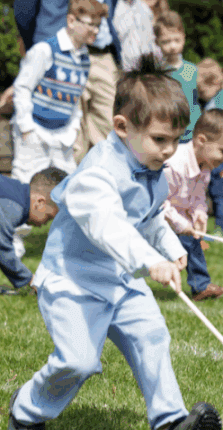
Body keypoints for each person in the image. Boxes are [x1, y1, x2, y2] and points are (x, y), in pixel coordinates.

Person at [6, 56, 222, 430]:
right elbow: (109, 227)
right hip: (73, 280)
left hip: (122, 278)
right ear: (122, 128)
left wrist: (171, 248)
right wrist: (148, 260)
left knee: (152, 337)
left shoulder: (151, 165)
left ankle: (170, 429)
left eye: (175, 139)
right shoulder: (96, 175)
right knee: (78, 361)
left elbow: (149, 216)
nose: (169, 149)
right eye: (160, 139)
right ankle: (27, 411)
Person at [10, 0, 106, 259]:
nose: (95, 32)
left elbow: (75, 101)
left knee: (70, 188)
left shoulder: (84, 59)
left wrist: (73, 129)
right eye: (91, 25)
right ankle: (12, 245)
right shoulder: (46, 50)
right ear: (71, 20)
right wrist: (26, 128)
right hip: (35, 132)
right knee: (25, 186)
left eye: (99, 26)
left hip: (62, 135)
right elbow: (22, 88)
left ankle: (72, 248)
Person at [162, 109, 223, 301]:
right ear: (201, 140)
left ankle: (201, 287)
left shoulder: (204, 166)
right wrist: (181, 224)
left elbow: (197, 197)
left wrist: (199, 215)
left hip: (177, 217)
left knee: (193, 241)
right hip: (156, 218)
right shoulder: (174, 166)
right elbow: (159, 204)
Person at [73, 0, 123, 163]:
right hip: (72, 53)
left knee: (109, 123)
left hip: (104, 56)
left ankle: (106, 174)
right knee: (74, 130)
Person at [0, 168, 66, 292]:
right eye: (48, 217)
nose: (45, 224)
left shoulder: (14, 193)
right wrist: (29, 280)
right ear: (40, 203)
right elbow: (2, 246)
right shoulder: (14, 207)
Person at [197, 58, 223, 237]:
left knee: (219, 190)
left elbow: (217, 123)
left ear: (214, 82)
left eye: (202, 90)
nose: (201, 95)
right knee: (214, 189)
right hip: (217, 154)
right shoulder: (218, 98)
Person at [154, 11, 201, 144]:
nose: (172, 46)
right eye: (166, 41)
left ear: (184, 38)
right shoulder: (158, 73)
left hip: (192, 134)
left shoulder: (192, 70)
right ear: (157, 42)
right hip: (167, 135)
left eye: (176, 40)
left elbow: (197, 101)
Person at [113, 0, 159, 73]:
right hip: (124, 65)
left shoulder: (143, 7)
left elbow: (150, 37)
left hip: (147, 63)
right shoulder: (115, 6)